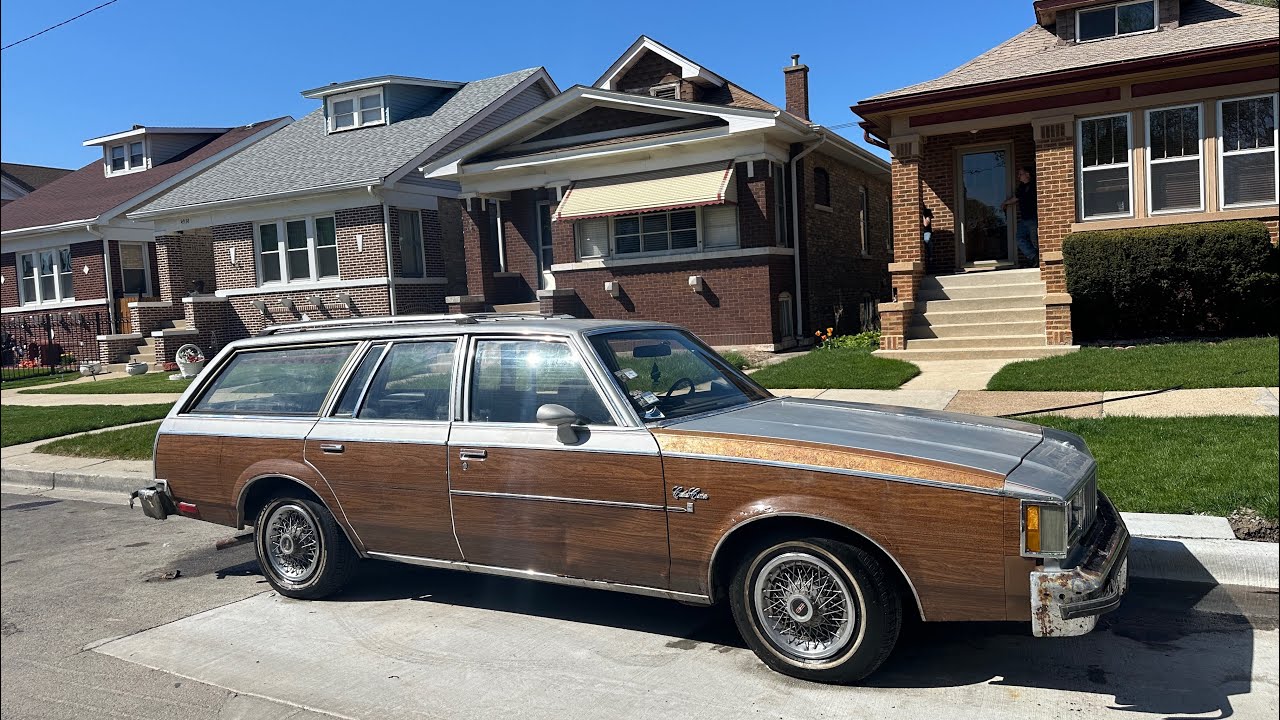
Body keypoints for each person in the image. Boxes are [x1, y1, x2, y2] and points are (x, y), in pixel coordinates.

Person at [1003, 166, 1038, 265]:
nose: (1019, 176)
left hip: (1033, 218)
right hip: (1024, 219)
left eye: (1020, 174)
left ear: (1027, 174)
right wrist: (1005, 203)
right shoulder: (1021, 187)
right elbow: (1016, 198)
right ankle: (1034, 257)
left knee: (1035, 241)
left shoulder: (1035, 185)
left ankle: (1039, 262)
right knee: (1019, 238)